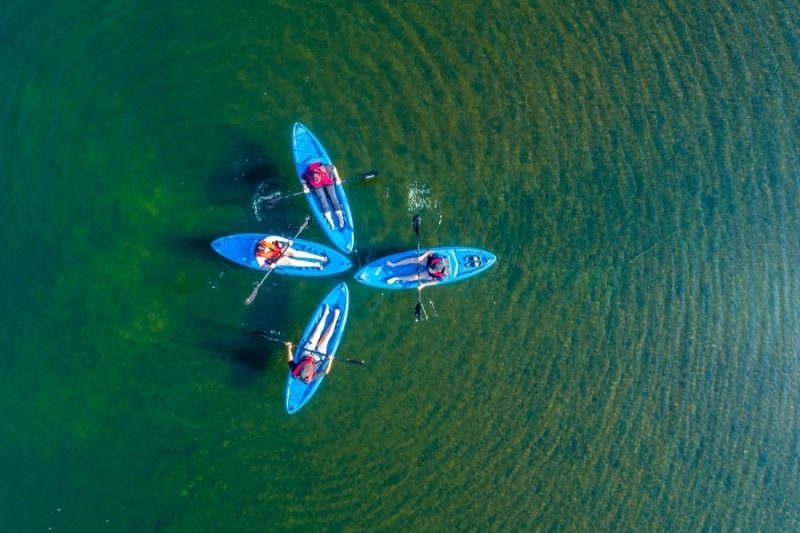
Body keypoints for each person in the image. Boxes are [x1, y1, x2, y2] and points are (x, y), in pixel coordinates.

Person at [285, 305, 341, 383]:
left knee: (315, 334)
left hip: (306, 353)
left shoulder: (295, 370)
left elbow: (290, 361)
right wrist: (330, 360)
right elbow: (325, 372)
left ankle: (326, 313)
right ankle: (335, 318)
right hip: (317, 359)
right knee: (325, 338)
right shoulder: (312, 377)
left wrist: (289, 348)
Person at [302, 162, 346, 230]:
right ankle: (331, 222)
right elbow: (303, 177)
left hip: (328, 182)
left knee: (333, 196)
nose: (316, 179)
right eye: (315, 179)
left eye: (317, 179)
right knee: (322, 199)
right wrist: (304, 186)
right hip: (318, 186)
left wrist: (337, 178)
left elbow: (333, 167)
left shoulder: (326, 168)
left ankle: (340, 218)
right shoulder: (308, 173)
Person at [386, 250, 450, 289]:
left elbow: (435, 282)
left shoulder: (441, 277)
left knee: (414, 277)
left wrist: (424, 285)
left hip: (429, 275)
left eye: (431, 269)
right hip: (428, 261)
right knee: (415, 259)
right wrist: (422, 257)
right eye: (430, 267)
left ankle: (396, 278)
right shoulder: (436, 257)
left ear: (436, 272)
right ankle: (394, 265)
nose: (429, 268)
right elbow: (430, 251)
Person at [255, 235, 328, 270]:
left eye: (267, 249)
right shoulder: (259, 256)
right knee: (293, 262)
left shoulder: (266, 240)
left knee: (296, 253)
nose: (267, 250)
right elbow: (263, 266)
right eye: (265, 250)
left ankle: (319, 257)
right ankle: (316, 264)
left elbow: (275, 238)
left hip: (280, 249)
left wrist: (287, 241)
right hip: (276, 259)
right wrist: (270, 266)